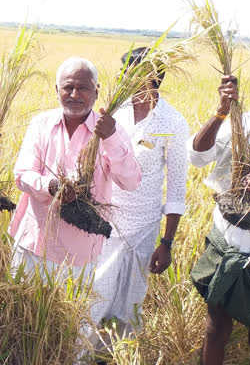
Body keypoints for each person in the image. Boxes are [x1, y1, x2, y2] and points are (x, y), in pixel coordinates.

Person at [91, 47, 189, 347]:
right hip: (105, 223)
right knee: (94, 299)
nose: (122, 79)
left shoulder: (172, 122)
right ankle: (84, 356)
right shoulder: (113, 113)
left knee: (130, 306)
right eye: (123, 74)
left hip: (144, 228)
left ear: (149, 77)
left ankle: (119, 355)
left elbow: (176, 188)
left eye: (128, 74)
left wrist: (167, 243)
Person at [10, 57, 141, 276]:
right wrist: (51, 186)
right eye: (68, 87)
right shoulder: (41, 124)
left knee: (70, 310)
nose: (74, 95)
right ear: (56, 90)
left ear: (96, 91)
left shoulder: (111, 131)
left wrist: (110, 139)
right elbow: (22, 175)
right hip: (33, 243)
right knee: (21, 309)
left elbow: (130, 182)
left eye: (83, 88)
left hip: (79, 254)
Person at [188, 75, 250, 365]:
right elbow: (198, 156)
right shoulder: (244, 123)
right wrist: (221, 112)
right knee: (216, 324)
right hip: (228, 239)